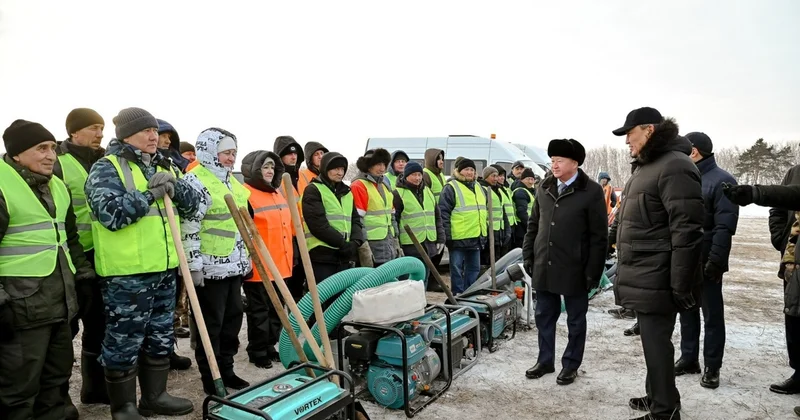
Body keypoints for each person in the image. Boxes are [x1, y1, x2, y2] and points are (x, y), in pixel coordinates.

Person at [85, 107, 199, 418]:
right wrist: (149, 194)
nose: (153, 136)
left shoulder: (162, 165)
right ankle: (123, 407)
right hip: (127, 274)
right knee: (124, 341)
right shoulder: (107, 168)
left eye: (155, 131)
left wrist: (177, 187)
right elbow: (111, 215)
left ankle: (155, 395)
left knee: (160, 335)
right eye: (145, 131)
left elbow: (191, 208)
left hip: (163, 268)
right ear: (125, 136)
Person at [611, 107, 704, 420]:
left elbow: (687, 229)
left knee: (657, 345)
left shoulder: (675, 166)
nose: (626, 141)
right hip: (645, 271)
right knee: (653, 343)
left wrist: (680, 281)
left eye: (629, 133)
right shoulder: (648, 166)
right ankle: (657, 396)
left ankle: (665, 411)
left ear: (648, 129)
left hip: (660, 274)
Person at [0, 120, 94, 420]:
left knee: (57, 379)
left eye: (53, 148)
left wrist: (84, 278)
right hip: (20, 307)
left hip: (60, 301)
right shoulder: (3, 187)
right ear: (16, 154)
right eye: (41, 148)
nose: (50, 155)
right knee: (18, 387)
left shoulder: (57, 186)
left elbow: (70, 240)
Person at [521, 139, 607, 385]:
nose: (554, 165)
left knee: (575, 320)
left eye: (559, 161)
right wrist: (529, 253)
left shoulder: (590, 191)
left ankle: (570, 364)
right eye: (552, 161)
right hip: (545, 264)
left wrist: (593, 271)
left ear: (575, 163)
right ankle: (545, 360)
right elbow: (534, 224)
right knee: (544, 316)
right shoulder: (545, 187)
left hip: (575, 268)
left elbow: (599, 237)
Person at [181, 128, 251, 395]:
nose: (231, 158)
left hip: (233, 264)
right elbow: (189, 229)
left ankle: (227, 369)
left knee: (233, 320)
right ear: (209, 152)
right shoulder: (195, 182)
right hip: (208, 269)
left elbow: (241, 227)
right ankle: (211, 377)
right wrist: (193, 265)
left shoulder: (233, 183)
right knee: (211, 325)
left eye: (233, 153)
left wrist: (247, 258)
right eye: (225, 153)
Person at [724, 181, 800, 417]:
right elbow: (781, 202)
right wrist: (780, 236)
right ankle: (799, 373)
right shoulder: (794, 171)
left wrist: (755, 193)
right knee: (794, 318)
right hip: (792, 258)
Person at [673, 132, 739, 389]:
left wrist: (716, 262)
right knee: (686, 311)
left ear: (694, 151)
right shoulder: (683, 178)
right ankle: (689, 358)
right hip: (684, 259)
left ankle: (712, 366)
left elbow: (725, 227)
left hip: (707, 259)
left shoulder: (723, 181)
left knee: (712, 315)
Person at [54, 108, 108, 412]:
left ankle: (94, 389)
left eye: (101, 128)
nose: (99, 134)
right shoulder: (59, 165)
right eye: (93, 128)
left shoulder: (105, 162)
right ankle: (59, 399)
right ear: (74, 132)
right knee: (67, 330)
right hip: (70, 259)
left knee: (98, 325)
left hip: (102, 257)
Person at [241, 150, 293, 369]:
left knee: (276, 310)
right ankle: (257, 350)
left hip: (282, 263)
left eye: (272, 167)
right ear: (254, 170)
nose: (270, 171)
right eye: (265, 167)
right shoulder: (246, 194)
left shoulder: (277, 192)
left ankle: (271, 345)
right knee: (259, 312)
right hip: (259, 265)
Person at [156, 120, 194, 366]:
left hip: (173, 245)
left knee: (168, 306)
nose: (167, 141)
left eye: (171, 137)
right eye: (162, 135)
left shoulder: (174, 166)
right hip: (149, 249)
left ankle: (167, 351)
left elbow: (189, 201)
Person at [301, 152, 365, 281]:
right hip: (323, 254)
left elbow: (355, 219)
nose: (340, 173)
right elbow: (318, 225)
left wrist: (356, 242)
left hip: (343, 254)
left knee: (342, 298)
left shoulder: (347, 192)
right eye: (336, 169)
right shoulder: (313, 190)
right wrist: (343, 244)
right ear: (325, 169)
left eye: (342, 169)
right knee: (326, 296)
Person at [439, 158, 487, 294]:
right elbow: (444, 213)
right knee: (456, 269)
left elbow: (482, 212)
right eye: (466, 169)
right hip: (458, 238)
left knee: (474, 268)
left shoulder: (479, 187)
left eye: (472, 170)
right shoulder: (451, 187)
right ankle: (458, 295)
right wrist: (447, 236)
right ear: (459, 171)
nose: (470, 172)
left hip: (476, 236)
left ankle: (469, 293)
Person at [392, 161, 446, 285]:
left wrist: (441, 238)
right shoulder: (398, 194)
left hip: (428, 243)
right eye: (414, 175)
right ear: (406, 176)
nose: (417, 178)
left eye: (419, 175)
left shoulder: (428, 191)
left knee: (424, 278)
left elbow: (437, 217)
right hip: (410, 245)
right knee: (408, 281)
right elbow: (395, 220)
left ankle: (422, 302)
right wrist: (397, 244)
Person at [351, 148, 399, 268]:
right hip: (372, 244)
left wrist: (396, 239)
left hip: (388, 242)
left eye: (384, 164)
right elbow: (357, 220)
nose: (382, 168)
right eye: (378, 164)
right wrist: (363, 247)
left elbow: (392, 215)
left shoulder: (384, 185)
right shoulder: (359, 185)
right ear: (368, 166)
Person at [273, 136, 305, 301]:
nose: (293, 157)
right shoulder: (276, 180)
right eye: (288, 154)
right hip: (287, 240)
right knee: (290, 288)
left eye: (295, 154)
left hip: (302, 238)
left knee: (299, 287)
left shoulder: (300, 178)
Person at [478, 166, 512, 264]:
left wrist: (507, 230)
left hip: (499, 231)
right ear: (486, 177)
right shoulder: (483, 190)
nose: (496, 179)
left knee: (498, 260)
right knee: (487, 260)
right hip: (489, 231)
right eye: (493, 176)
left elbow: (502, 212)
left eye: (497, 176)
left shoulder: (498, 190)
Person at [512, 168, 537, 249]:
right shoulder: (521, 192)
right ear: (522, 180)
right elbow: (521, 212)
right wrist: (530, 226)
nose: (530, 182)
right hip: (522, 227)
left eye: (532, 179)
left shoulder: (530, 191)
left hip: (527, 225)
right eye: (528, 179)